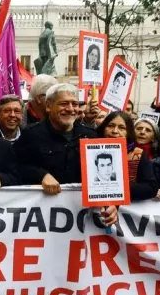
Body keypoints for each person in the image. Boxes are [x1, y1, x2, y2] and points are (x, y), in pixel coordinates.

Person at [15, 83, 117, 225]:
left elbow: (104, 178)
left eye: (75, 104)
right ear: (49, 106)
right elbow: (17, 167)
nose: (70, 109)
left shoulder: (91, 136)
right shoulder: (31, 135)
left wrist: (111, 204)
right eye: (64, 104)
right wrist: (41, 175)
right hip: (42, 217)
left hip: (82, 217)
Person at [96, 111, 158, 201]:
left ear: (128, 132)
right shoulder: (88, 150)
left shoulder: (137, 154)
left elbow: (151, 188)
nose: (115, 131)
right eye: (110, 126)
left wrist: (116, 186)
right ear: (103, 128)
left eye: (121, 128)